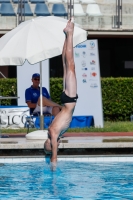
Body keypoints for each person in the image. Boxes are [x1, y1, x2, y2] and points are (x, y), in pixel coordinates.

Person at [44, 18, 78, 171]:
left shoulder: (52, 132)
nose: (45, 145)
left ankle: (68, 34)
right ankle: (69, 34)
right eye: (48, 147)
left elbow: (54, 154)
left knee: (67, 63)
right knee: (68, 64)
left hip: (68, 101)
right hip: (68, 100)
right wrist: (52, 158)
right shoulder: (54, 133)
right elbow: (54, 152)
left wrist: (52, 161)